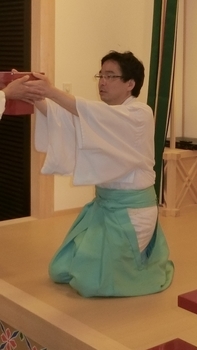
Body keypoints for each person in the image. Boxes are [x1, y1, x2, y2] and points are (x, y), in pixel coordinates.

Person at [27, 51, 174, 297]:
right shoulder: (103, 116)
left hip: (131, 212)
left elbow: (89, 113)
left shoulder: (140, 113)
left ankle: (140, 264)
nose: (102, 81)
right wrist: (35, 96)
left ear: (130, 84)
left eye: (111, 76)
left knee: (91, 282)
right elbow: (64, 119)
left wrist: (51, 91)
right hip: (104, 207)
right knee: (60, 269)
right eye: (101, 75)